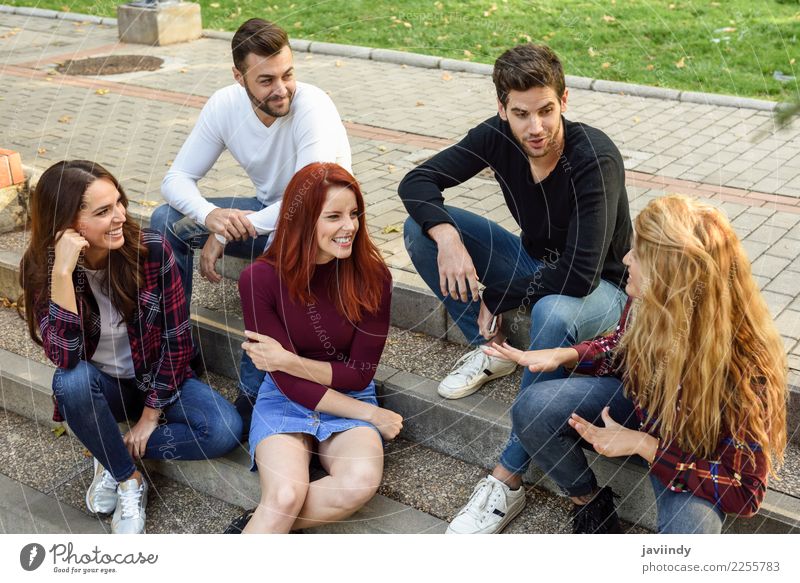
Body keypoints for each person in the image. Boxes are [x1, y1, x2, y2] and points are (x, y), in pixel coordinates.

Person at [399, 43, 631, 531]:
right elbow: (417, 181)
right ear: (502, 109)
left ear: (564, 100)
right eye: (521, 114)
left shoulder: (595, 157)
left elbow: (580, 272)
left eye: (546, 110)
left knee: (552, 312)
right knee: (420, 231)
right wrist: (446, 237)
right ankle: (495, 348)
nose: (536, 128)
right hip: (535, 263)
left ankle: (506, 479)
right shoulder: (496, 137)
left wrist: (500, 295)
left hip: (602, 292)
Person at [478, 195, 787, 534]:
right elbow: (621, 348)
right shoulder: (645, 302)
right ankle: (590, 502)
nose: (625, 259)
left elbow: (745, 493)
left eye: (639, 254)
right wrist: (567, 354)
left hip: (688, 452)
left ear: (672, 276)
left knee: (691, 533)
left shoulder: (746, 367)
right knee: (532, 406)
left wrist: (644, 445)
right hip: (641, 409)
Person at [20, 160, 243, 534]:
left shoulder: (151, 251)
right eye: (103, 211)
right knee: (70, 381)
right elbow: (65, 356)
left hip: (158, 379)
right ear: (67, 225)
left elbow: (177, 341)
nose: (121, 216)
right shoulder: (44, 268)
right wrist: (61, 275)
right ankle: (127, 477)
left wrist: (150, 416)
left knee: (224, 429)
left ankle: (107, 450)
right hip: (103, 388)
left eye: (119, 202)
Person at [151, 18, 351, 426]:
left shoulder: (313, 107)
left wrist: (229, 230)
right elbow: (174, 180)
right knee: (165, 219)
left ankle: (252, 396)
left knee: (266, 269)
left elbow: (308, 198)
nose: (282, 89)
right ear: (238, 77)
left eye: (288, 74)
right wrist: (210, 216)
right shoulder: (225, 105)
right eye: (266, 80)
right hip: (267, 213)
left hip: (323, 230)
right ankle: (173, 350)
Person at [226, 162, 402, 534]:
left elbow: (358, 375)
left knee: (357, 484)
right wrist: (372, 415)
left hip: (349, 393)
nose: (349, 226)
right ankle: (273, 517)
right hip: (285, 397)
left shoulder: (374, 277)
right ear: (304, 221)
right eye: (334, 216)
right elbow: (289, 383)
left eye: (354, 214)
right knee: (286, 494)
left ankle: (261, 524)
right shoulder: (258, 280)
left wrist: (288, 360)